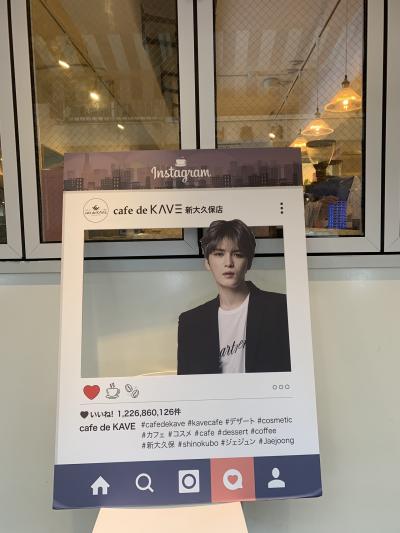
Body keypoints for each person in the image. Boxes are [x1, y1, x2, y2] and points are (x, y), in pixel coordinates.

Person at [177, 219, 291, 375]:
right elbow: (187, 384)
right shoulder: (190, 322)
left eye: (238, 254)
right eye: (219, 254)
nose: (229, 263)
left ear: (249, 262)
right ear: (207, 263)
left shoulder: (281, 308)